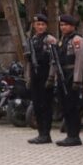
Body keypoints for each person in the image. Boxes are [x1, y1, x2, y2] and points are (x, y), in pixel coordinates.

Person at [25, 14, 58, 145]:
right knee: (37, 105)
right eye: (38, 24)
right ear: (34, 26)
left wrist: (51, 77)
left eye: (43, 24)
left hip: (46, 74)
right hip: (35, 75)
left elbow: (54, 61)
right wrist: (28, 77)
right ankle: (40, 133)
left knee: (45, 105)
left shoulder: (50, 40)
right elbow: (28, 61)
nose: (40, 27)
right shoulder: (32, 40)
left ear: (46, 26)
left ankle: (46, 134)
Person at [54, 15, 83, 147]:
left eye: (66, 25)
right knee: (65, 106)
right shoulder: (62, 40)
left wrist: (77, 80)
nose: (63, 27)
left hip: (72, 76)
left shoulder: (77, 40)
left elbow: (80, 60)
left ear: (73, 26)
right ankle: (69, 134)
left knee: (73, 107)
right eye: (61, 25)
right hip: (63, 75)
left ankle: (74, 136)